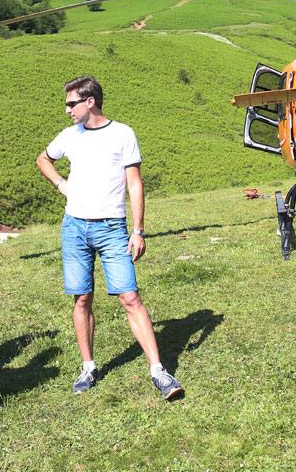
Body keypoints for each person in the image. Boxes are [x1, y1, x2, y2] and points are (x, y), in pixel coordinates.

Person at [35, 75, 184, 400]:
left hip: (111, 228)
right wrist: (62, 185)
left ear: (90, 102)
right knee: (82, 298)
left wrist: (138, 229)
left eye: (71, 103)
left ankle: (158, 371)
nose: (67, 110)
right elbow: (43, 159)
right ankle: (88, 366)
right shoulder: (69, 136)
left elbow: (134, 183)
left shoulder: (122, 134)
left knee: (130, 297)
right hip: (74, 227)